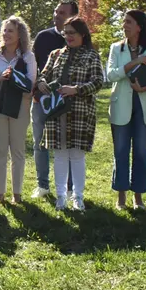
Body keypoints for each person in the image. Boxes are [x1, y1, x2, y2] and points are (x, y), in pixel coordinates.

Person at [36, 16, 104, 211]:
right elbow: (43, 74)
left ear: (83, 34)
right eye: (65, 33)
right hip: (57, 113)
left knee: (76, 156)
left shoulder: (91, 55)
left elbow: (98, 82)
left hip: (80, 113)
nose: (68, 37)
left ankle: (78, 198)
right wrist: (41, 83)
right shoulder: (56, 54)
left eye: (72, 33)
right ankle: (60, 197)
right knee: (59, 155)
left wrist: (76, 89)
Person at [106, 10, 146, 210]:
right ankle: (121, 197)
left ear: (139, 27)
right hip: (120, 107)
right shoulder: (116, 48)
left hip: (145, 107)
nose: (125, 25)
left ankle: (138, 198)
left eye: (129, 22)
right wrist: (135, 62)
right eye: (124, 22)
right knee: (121, 151)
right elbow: (111, 75)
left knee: (141, 152)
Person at [0, 16, 37, 204]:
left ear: (20, 34)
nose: (6, 34)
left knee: (18, 150)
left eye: (10, 30)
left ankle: (17, 194)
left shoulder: (28, 57)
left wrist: (15, 79)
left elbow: (31, 85)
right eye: (4, 30)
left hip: (20, 105)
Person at [30, 0, 77, 199]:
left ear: (73, 16)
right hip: (42, 99)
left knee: (66, 143)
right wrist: (36, 88)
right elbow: (33, 65)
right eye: (56, 12)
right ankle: (42, 185)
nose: (56, 15)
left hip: (67, 100)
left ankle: (68, 187)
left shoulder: (79, 39)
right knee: (40, 141)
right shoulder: (43, 37)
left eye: (62, 12)